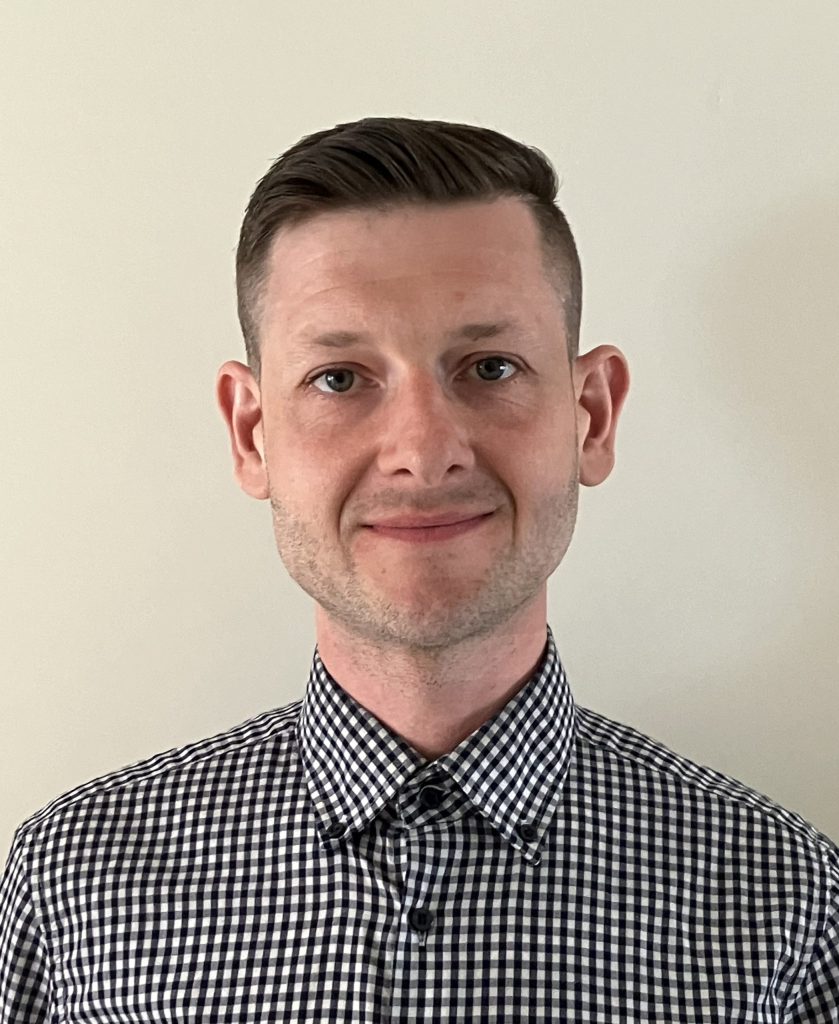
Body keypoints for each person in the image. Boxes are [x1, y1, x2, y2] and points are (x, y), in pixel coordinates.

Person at [1, 116, 836, 1023]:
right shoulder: (71, 886)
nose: (423, 451)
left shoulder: (786, 908)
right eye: (338, 378)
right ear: (251, 433)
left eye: (490, 367)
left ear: (590, 416)